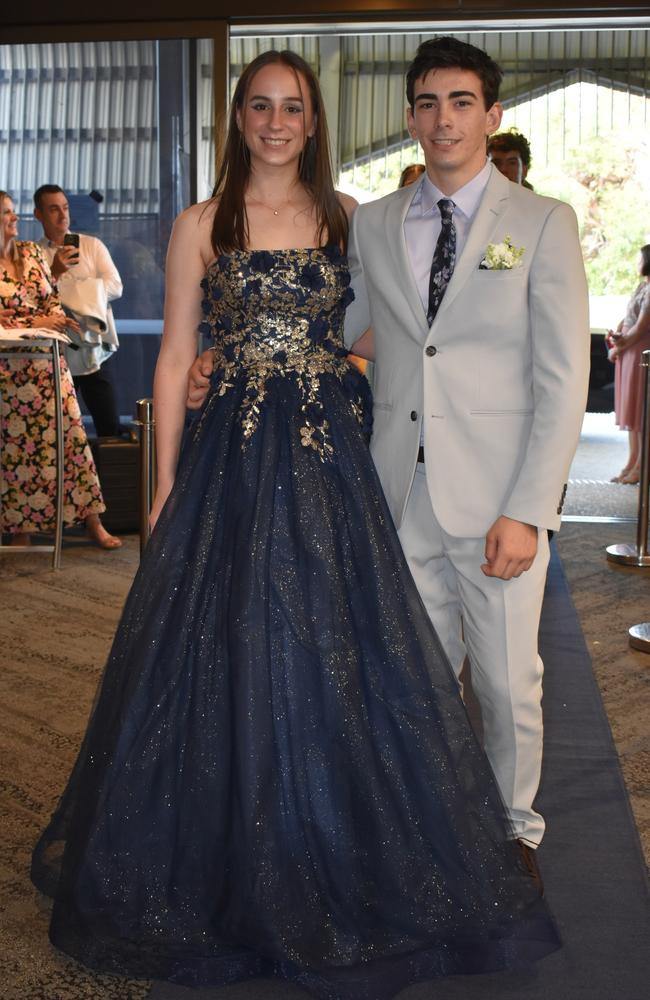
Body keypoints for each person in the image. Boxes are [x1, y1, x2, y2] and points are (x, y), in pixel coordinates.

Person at [31, 51, 559, 999]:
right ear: (240, 117)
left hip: (326, 456)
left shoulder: (349, 219)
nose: (277, 122)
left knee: (338, 644)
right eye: (261, 107)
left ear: (314, 123)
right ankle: (231, 849)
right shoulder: (202, 223)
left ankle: (362, 835)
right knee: (228, 639)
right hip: (230, 459)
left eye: (293, 109)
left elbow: (385, 328)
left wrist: (335, 363)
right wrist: (160, 482)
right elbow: (173, 356)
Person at [189, 38, 590, 867]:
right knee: (407, 669)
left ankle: (514, 831)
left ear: (492, 114)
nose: (444, 120)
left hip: (498, 499)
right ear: (410, 118)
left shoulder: (544, 223)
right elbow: (330, 327)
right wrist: (223, 355)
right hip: (388, 488)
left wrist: (529, 509)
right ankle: (431, 820)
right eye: (428, 104)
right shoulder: (369, 220)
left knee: (510, 681)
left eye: (462, 102)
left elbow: (562, 379)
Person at [0, 191, 121, 549]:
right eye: (5, 213)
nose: (12, 217)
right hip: (9, 373)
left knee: (73, 444)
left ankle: (93, 521)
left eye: (11, 211)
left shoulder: (33, 253)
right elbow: (36, 313)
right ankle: (21, 530)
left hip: (48, 365)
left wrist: (39, 316)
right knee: (17, 453)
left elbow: (52, 302)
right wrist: (36, 317)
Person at [34, 184, 123, 438]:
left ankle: (108, 478)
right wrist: (56, 273)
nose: (63, 216)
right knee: (54, 433)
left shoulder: (92, 246)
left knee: (110, 429)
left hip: (95, 355)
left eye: (65, 208)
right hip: (54, 358)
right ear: (38, 214)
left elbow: (116, 287)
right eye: (53, 210)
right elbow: (32, 298)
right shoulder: (34, 254)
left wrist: (69, 294)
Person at [608, 244, 650, 484]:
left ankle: (641, 467)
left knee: (640, 413)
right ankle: (632, 461)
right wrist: (618, 336)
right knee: (631, 411)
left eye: (640, 260)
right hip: (629, 351)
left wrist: (619, 346)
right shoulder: (642, 286)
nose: (637, 264)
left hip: (640, 353)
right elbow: (629, 317)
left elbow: (641, 326)